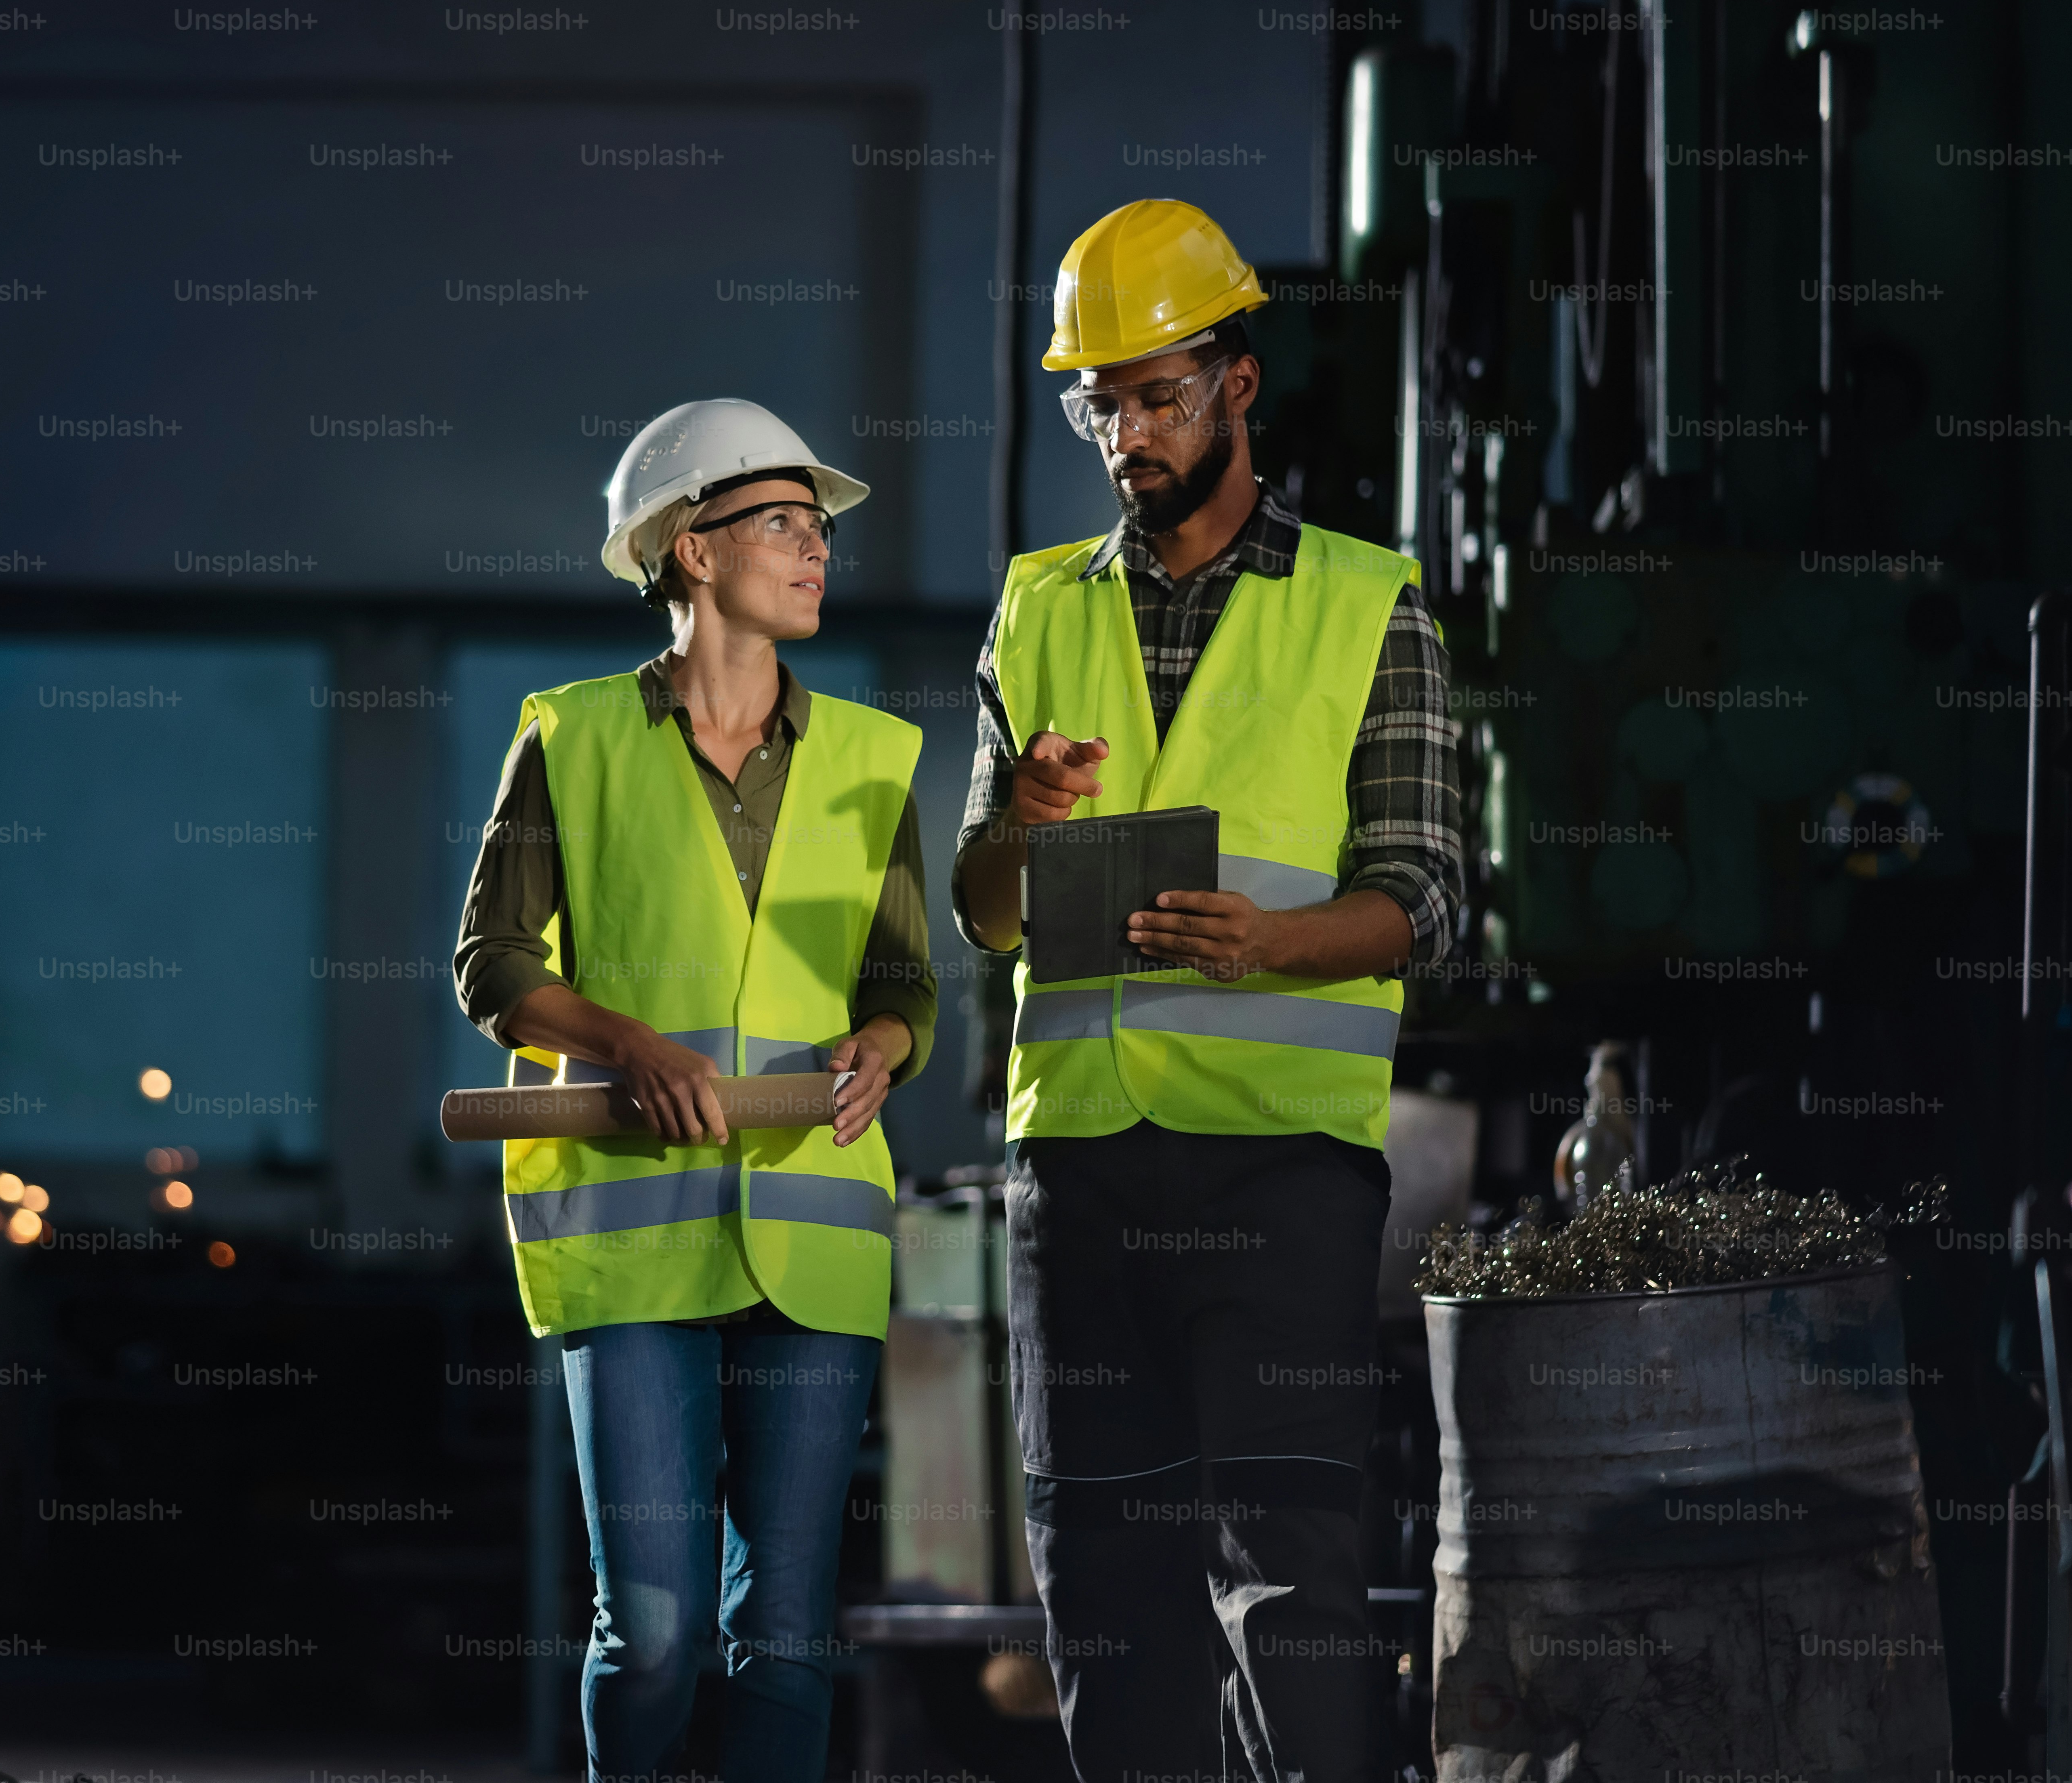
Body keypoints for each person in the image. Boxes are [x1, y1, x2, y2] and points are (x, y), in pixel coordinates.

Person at [950, 200, 1462, 1779]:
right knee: (1104, 1592)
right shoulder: (1038, 606)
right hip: (1081, 1175)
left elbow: (1426, 900)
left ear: (1238, 383)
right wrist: (1012, 828)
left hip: (1278, 1173)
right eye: (1096, 403)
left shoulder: (1364, 603)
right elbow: (978, 914)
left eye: (1156, 392)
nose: (1125, 433)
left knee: (1289, 1581)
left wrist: (1269, 946)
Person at [453, 399, 935, 1783]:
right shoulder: (576, 738)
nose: (815, 549)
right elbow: (491, 966)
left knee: (784, 1634)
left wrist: (884, 1050)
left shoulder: (872, 763)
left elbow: (904, 983)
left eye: (820, 526)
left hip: (814, 1228)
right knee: (654, 1632)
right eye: (781, 523)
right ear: (687, 549)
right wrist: (627, 1043)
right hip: (632, 1232)